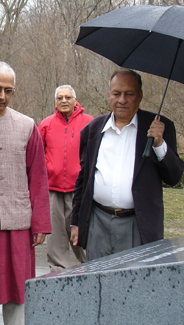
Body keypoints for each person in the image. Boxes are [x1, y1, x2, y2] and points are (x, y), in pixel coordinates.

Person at [0, 61, 51, 325]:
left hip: (19, 225)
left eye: (8, 90)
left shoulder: (28, 126)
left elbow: (39, 177)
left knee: (19, 291)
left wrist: (40, 223)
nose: (1, 96)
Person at [71, 69, 184, 261]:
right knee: (98, 284)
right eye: (116, 94)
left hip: (138, 225)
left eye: (129, 94)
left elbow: (174, 177)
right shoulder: (93, 130)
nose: (122, 100)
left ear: (140, 96)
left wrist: (159, 144)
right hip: (97, 223)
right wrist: (76, 222)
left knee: (136, 286)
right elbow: (83, 179)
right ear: (109, 95)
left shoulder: (159, 127)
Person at [38, 85, 93, 271]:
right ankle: (57, 273)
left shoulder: (89, 123)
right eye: (60, 98)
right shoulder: (46, 124)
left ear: (75, 100)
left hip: (79, 190)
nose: (63, 101)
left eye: (68, 97)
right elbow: (37, 156)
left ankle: (93, 269)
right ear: (55, 102)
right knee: (56, 237)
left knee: (81, 235)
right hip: (52, 190)